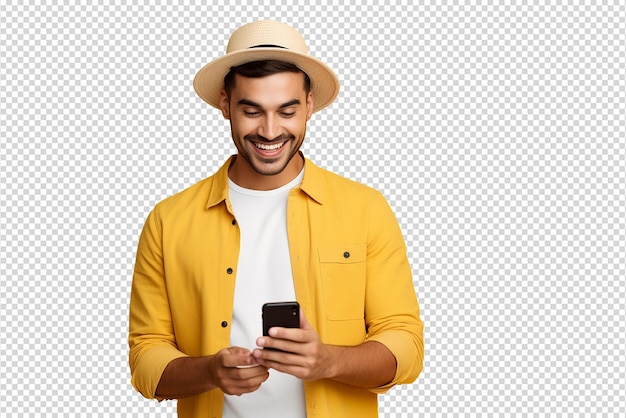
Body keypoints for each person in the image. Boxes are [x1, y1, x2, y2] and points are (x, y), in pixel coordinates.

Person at [128, 19, 424, 418]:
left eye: (287, 111)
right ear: (225, 105)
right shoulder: (168, 220)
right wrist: (211, 371)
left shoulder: (365, 208)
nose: (270, 131)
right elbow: (146, 357)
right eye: (252, 110)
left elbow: (405, 346)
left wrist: (328, 361)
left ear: (309, 105)